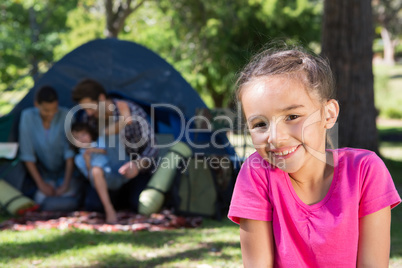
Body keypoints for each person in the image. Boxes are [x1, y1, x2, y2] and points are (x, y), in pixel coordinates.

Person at [227, 46, 401, 267]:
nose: (276, 138)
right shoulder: (257, 173)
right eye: (260, 124)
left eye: (292, 116)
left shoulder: (365, 171)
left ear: (328, 114)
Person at [71, 78, 158, 221]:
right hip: (107, 172)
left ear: (101, 98)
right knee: (93, 206)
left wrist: (137, 165)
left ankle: (124, 199)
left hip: (134, 169)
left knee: (138, 205)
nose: (88, 113)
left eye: (90, 108)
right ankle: (114, 202)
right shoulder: (89, 119)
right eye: (85, 109)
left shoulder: (133, 111)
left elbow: (152, 147)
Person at [19, 85, 82, 211]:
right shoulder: (27, 117)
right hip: (44, 175)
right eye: (46, 111)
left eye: (54, 110)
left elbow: (70, 153)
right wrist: (41, 184)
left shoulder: (66, 115)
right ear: (37, 105)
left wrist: (65, 184)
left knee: (68, 199)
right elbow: (27, 154)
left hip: (67, 173)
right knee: (41, 198)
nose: (51, 114)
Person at [70, 122, 130, 223]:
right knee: (92, 204)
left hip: (116, 175)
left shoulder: (100, 142)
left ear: (90, 134)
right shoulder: (79, 158)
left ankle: (110, 208)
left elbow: (112, 153)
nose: (81, 139)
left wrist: (95, 150)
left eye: (83, 135)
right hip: (100, 184)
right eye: (77, 138)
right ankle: (109, 207)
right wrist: (87, 162)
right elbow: (90, 178)